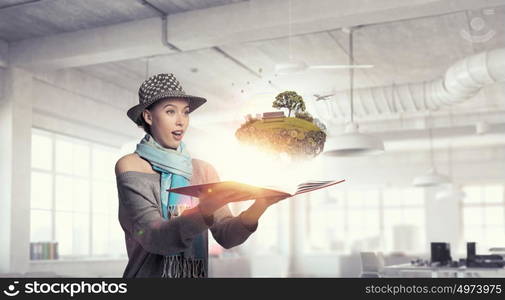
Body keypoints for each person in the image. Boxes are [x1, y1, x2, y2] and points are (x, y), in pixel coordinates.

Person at [115, 73, 286, 278]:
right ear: (148, 116)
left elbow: (227, 236)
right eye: (170, 111)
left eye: (185, 113)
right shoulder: (131, 165)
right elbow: (155, 236)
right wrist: (204, 210)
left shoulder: (203, 170)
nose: (181, 121)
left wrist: (261, 204)